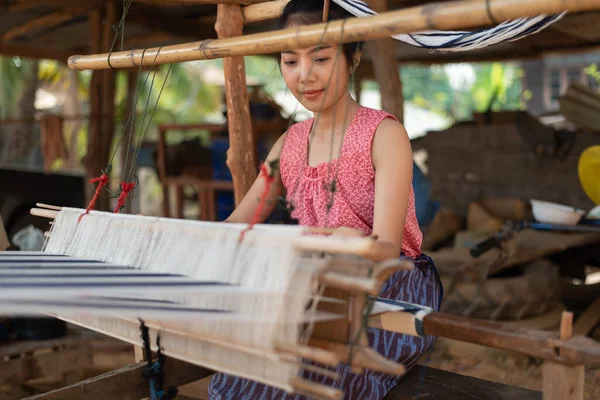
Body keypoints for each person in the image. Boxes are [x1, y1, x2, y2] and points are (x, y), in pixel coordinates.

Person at [208, 0, 443, 398]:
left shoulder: (383, 135)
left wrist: (342, 245)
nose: (304, 76)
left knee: (314, 374)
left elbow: (386, 247)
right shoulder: (289, 145)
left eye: (320, 57)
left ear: (353, 57)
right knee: (241, 379)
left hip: (388, 290)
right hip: (316, 285)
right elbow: (238, 225)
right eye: (290, 61)